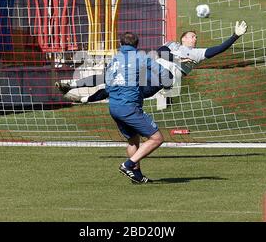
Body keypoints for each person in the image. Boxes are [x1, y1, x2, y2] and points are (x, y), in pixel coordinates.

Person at [56, 20, 248, 103]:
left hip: (161, 79)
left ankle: (83, 99)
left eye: (196, 37)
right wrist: (177, 57)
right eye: (191, 36)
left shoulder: (197, 54)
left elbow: (217, 50)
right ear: (183, 39)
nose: (194, 39)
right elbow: (161, 52)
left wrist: (234, 36)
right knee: (110, 77)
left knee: (118, 90)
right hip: (149, 69)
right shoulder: (172, 44)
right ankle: (71, 84)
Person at [106, 32, 167, 184]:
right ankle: (127, 165)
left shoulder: (113, 59)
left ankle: (136, 175)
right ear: (137, 45)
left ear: (120, 44)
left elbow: (107, 83)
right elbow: (162, 71)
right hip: (129, 107)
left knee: (133, 140)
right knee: (157, 138)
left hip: (113, 106)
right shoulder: (141, 57)